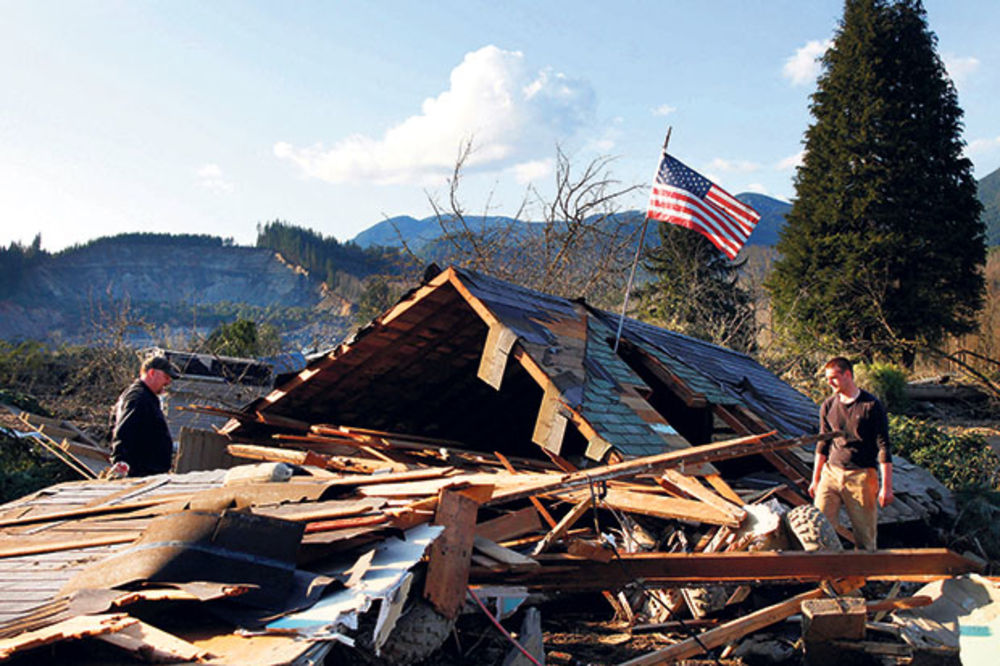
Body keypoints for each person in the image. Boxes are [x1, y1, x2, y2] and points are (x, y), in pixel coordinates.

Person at [808, 356, 894, 550]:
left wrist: (886, 487)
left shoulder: (871, 406)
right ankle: (826, 575)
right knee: (818, 526)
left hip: (861, 475)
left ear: (848, 375)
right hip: (831, 472)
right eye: (827, 378)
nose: (829, 382)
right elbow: (823, 444)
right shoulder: (828, 405)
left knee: (865, 536)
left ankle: (864, 577)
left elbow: (883, 447)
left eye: (834, 378)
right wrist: (816, 479)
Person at [110, 354, 178, 477]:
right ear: (152, 373)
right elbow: (123, 431)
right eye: (166, 377)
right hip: (140, 474)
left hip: (148, 472)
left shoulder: (145, 396)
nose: (168, 382)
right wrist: (120, 461)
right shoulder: (138, 397)